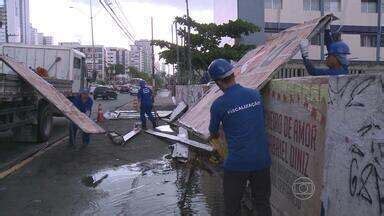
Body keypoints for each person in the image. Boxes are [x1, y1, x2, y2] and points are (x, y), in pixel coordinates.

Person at [208, 59, 272, 216]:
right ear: (233, 74)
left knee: (232, 208)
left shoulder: (218, 104)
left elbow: (213, 133)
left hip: (237, 164)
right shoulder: (255, 94)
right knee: (262, 204)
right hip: (261, 161)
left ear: (218, 83)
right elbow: (258, 119)